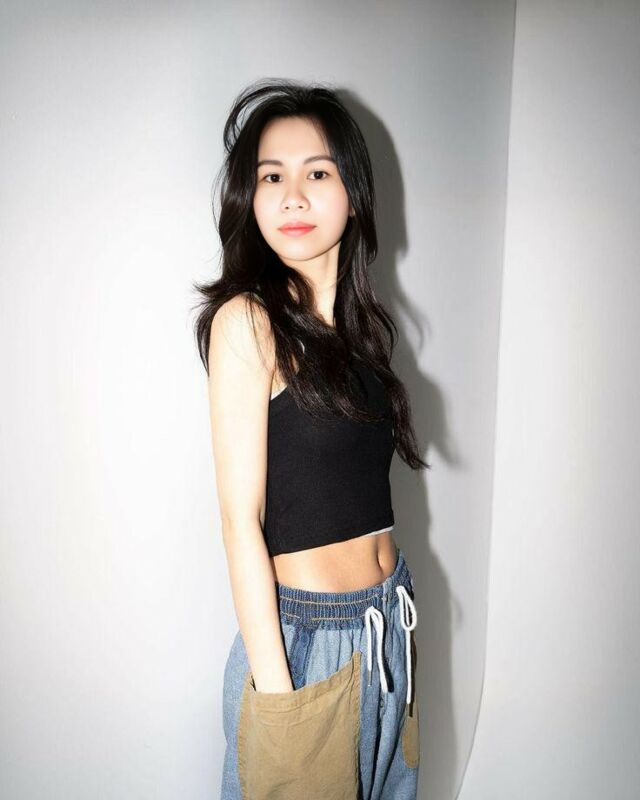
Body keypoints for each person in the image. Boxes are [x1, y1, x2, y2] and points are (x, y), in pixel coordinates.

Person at [193, 78, 429, 800]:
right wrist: (280, 697)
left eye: (317, 173)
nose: (292, 196)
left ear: (353, 194)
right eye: (272, 177)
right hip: (306, 646)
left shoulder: (364, 334)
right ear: (251, 198)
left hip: (386, 625)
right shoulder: (248, 322)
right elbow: (240, 521)